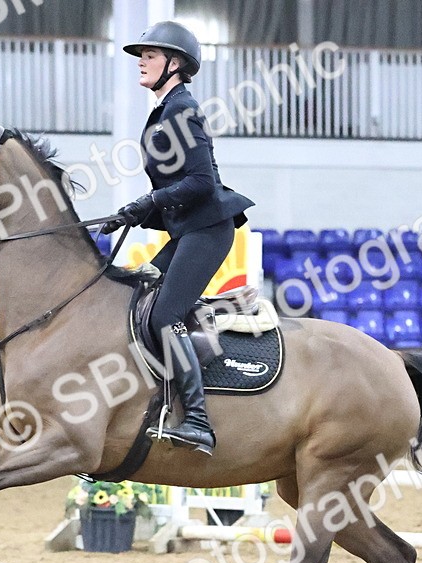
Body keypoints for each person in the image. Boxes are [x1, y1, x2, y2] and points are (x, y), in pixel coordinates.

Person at [101, 21, 254, 455]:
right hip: (190, 230)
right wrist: (133, 213)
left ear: (176, 64)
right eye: (141, 55)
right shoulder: (166, 109)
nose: (141, 62)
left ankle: (200, 422)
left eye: (150, 55)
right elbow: (178, 191)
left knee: (164, 315)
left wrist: (146, 202)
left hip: (207, 231)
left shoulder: (181, 109)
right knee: (140, 297)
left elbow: (202, 183)